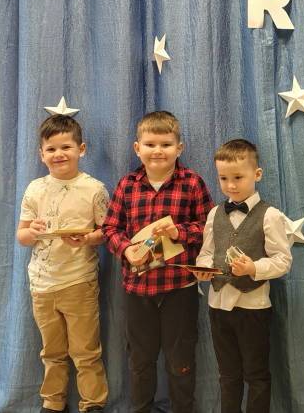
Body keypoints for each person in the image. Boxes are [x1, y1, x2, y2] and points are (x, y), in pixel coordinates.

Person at [102, 111, 213, 413]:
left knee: (181, 360)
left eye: (166, 144)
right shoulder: (127, 185)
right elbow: (110, 228)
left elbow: (210, 227)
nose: (158, 151)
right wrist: (126, 249)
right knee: (140, 360)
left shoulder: (192, 183)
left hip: (180, 289)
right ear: (137, 148)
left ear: (180, 148)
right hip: (138, 290)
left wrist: (180, 232)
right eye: (150, 144)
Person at [16, 114, 109, 413]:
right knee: (51, 351)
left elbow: (107, 232)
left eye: (66, 147)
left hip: (79, 281)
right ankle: (53, 401)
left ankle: (92, 403)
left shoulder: (94, 189)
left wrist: (88, 238)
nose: (59, 154)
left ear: (81, 149)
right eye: (51, 149)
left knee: (86, 351)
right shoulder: (34, 189)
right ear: (41, 154)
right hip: (41, 285)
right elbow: (21, 235)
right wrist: (32, 231)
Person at [194, 139, 292, 413]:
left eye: (238, 177)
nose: (231, 185)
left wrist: (253, 268)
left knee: (256, 375)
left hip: (253, 307)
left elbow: (283, 261)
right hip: (218, 305)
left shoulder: (270, 215)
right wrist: (203, 269)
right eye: (224, 178)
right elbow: (206, 253)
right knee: (227, 375)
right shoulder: (215, 213)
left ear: (256, 174)